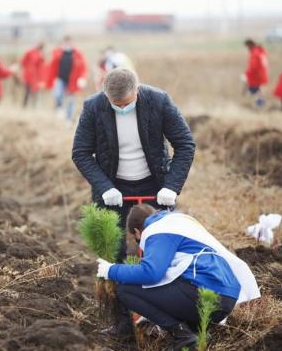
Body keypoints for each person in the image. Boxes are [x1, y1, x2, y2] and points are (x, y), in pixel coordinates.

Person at [72, 68, 195, 334]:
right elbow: (80, 152)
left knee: (161, 251)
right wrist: (104, 187)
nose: (121, 108)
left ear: (136, 91)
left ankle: (169, 316)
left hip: (154, 186)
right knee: (114, 253)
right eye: (115, 105)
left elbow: (185, 144)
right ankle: (123, 323)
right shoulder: (94, 108)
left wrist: (171, 187)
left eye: (126, 104)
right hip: (114, 189)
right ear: (105, 97)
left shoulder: (158, 101)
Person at [96, 204, 260, 350]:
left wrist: (111, 270)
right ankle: (198, 333)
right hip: (226, 298)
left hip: (203, 293)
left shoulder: (157, 230)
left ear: (138, 232)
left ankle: (183, 335)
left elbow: (151, 273)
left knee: (126, 290)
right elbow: (169, 277)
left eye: (136, 238)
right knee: (177, 286)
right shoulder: (179, 222)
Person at [46, 36, 88, 124]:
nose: (68, 44)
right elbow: (52, 65)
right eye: (66, 42)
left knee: (71, 100)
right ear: (63, 43)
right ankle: (59, 107)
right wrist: (51, 79)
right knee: (58, 94)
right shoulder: (58, 52)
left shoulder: (77, 53)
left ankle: (69, 118)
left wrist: (82, 78)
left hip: (72, 81)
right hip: (60, 78)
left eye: (69, 42)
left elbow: (83, 67)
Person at [243, 39, 269, 108]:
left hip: (256, 75)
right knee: (256, 90)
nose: (247, 49)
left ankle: (259, 104)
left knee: (253, 91)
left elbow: (253, 66)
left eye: (247, 47)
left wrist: (247, 75)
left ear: (250, 45)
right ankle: (259, 104)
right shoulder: (260, 51)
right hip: (261, 73)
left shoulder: (255, 53)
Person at [21, 42, 46, 108]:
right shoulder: (31, 53)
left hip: (36, 77)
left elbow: (41, 67)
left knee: (35, 92)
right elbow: (23, 62)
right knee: (28, 91)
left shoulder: (40, 54)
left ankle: (33, 106)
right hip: (29, 76)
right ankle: (25, 106)